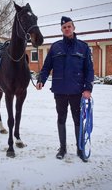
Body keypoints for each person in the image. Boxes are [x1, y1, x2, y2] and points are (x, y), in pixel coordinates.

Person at [36, 16, 94, 162]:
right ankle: (62, 148)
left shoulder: (83, 47)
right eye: (64, 27)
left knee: (77, 121)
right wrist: (41, 80)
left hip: (77, 92)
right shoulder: (55, 47)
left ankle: (80, 149)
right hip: (60, 91)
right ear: (61, 29)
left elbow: (89, 70)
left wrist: (88, 88)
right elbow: (46, 66)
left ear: (74, 28)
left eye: (69, 26)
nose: (67, 29)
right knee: (61, 119)